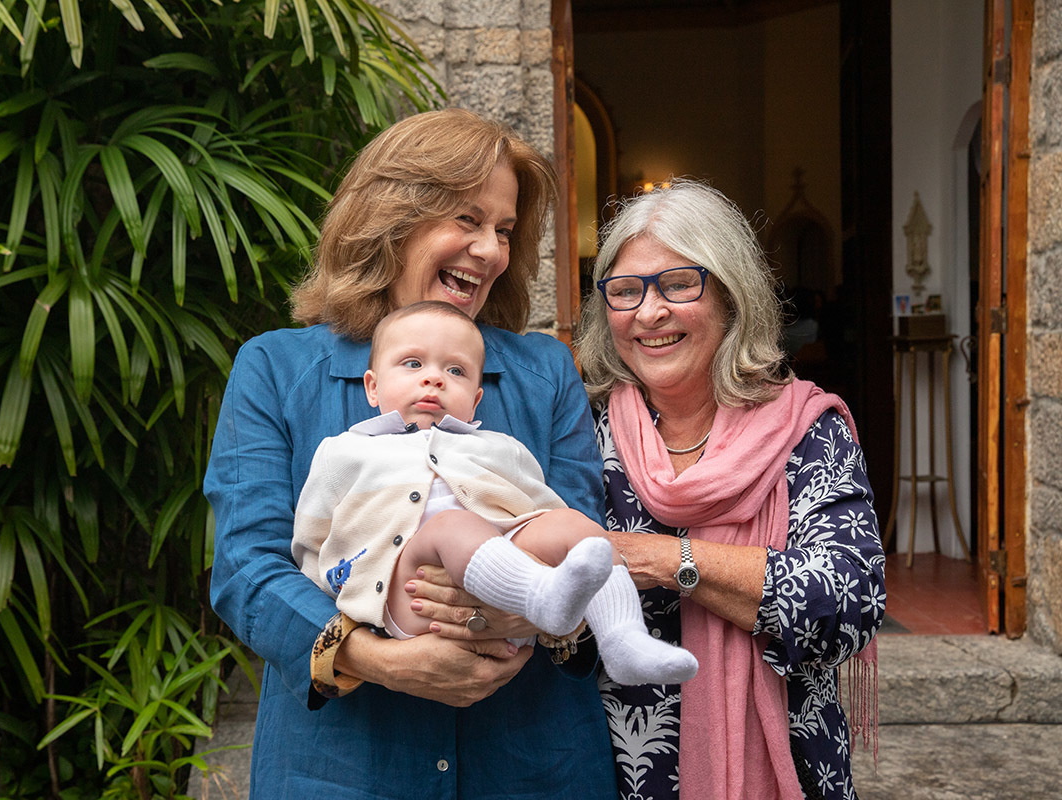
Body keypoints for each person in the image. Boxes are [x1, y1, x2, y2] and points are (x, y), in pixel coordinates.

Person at [205, 109, 616, 799]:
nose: (489, 250)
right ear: (393, 218)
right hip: (340, 770)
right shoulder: (275, 369)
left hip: (534, 766)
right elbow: (246, 569)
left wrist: (533, 613)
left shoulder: (545, 371)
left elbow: (584, 545)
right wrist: (376, 658)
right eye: (467, 219)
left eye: (505, 231)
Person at [575, 179, 885, 800]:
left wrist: (666, 560)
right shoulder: (585, 431)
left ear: (730, 294)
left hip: (788, 761)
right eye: (626, 291)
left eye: (679, 283)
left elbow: (846, 599)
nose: (649, 312)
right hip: (620, 767)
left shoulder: (806, 429)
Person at [292, 300, 699, 686]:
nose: (433, 378)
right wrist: (342, 588)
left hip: (508, 597)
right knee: (452, 526)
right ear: (373, 388)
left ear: (476, 397)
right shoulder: (346, 449)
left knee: (577, 527)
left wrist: (565, 543)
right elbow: (312, 539)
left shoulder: (500, 447)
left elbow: (540, 515)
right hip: (407, 594)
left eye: (456, 371)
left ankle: (623, 639)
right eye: (412, 364)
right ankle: (541, 596)